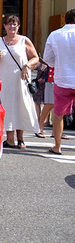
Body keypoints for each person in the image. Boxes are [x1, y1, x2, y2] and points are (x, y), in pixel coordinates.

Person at [0, 15, 40, 149]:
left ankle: (20, 139)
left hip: (20, 78)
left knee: (20, 104)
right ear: (4, 26)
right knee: (7, 105)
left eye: (15, 24)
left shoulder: (24, 40)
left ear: (18, 26)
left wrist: (26, 66)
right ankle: (10, 139)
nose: (12, 27)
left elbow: (35, 58)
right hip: (4, 77)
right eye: (9, 24)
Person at [44, 8, 75, 155]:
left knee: (58, 114)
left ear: (65, 20)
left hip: (62, 78)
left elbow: (48, 59)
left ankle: (57, 146)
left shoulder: (55, 35)